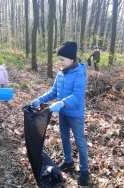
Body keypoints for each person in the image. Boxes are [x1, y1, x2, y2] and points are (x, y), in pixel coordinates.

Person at [31, 41, 89, 186]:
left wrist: (62, 103)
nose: (60, 63)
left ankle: (84, 171)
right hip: (63, 113)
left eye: (62, 59)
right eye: (59, 60)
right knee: (64, 137)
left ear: (71, 58)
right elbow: (53, 92)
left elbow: (77, 97)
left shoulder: (80, 74)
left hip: (75, 114)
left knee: (80, 141)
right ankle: (68, 161)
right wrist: (39, 99)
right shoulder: (61, 74)